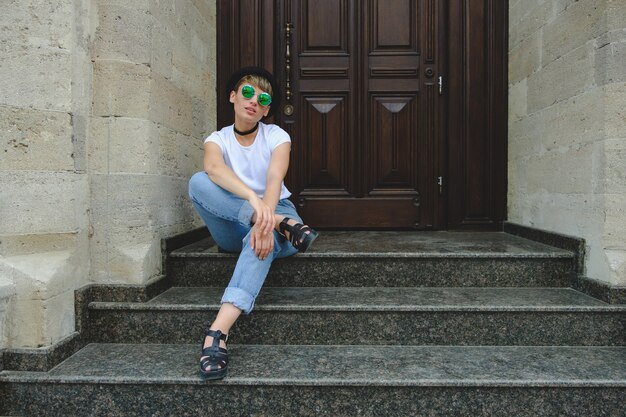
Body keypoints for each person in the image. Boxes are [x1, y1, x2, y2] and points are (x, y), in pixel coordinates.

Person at [188, 66, 318, 380]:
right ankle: (277, 223)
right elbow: (214, 170)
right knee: (198, 182)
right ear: (233, 96)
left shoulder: (276, 135)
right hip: (238, 220)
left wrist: (265, 217)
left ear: (267, 110)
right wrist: (257, 209)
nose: (253, 101)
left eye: (262, 99)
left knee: (262, 242)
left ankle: (218, 332)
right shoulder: (216, 139)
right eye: (247, 92)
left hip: (280, 214)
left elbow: (275, 178)